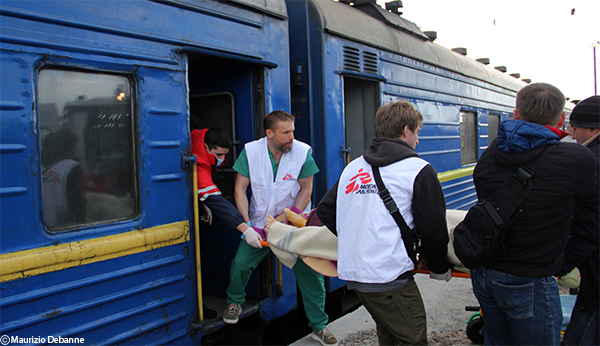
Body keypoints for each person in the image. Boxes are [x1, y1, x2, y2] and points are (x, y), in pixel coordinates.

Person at [316, 99, 451, 346]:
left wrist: (357, 240)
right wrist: (439, 267)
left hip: (356, 274)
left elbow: (325, 210)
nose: (418, 140)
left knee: (390, 333)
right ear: (406, 131)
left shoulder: (354, 167)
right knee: (413, 337)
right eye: (417, 132)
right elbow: (435, 230)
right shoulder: (419, 169)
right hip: (388, 274)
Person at [470, 83, 597, 346]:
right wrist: (561, 264)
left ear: (516, 114)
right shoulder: (579, 159)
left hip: (485, 272)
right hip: (531, 276)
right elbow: (589, 217)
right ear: (562, 118)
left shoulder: (491, 153)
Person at [225, 110, 337, 346]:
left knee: (312, 275)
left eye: (293, 131)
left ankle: (319, 327)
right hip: (259, 225)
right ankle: (234, 302)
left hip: (292, 226)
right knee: (240, 264)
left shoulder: (302, 151)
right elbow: (240, 189)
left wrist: (290, 217)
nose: (292, 137)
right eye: (286, 132)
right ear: (270, 133)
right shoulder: (252, 152)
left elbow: (306, 188)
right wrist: (246, 226)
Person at [190, 127, 253, 319]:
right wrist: (245, 228)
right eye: (218, 154)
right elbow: (217, 201)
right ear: (207, 148)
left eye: (225, 155)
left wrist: (201, 201)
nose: (222, 159)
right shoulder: (198, 160)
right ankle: (197, 306)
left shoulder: (200, 139)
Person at [560, 95, 600, 346]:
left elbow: (591, 225)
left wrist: (560, 264)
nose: (573, 135)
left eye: (576, 129)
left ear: (594, 129)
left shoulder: (593, 164)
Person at [41, 128, 85, 228]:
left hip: (45, 221)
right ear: (72, 146)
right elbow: (76, 204)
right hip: (64, 224)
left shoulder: (40, 165)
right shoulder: (72, 167)